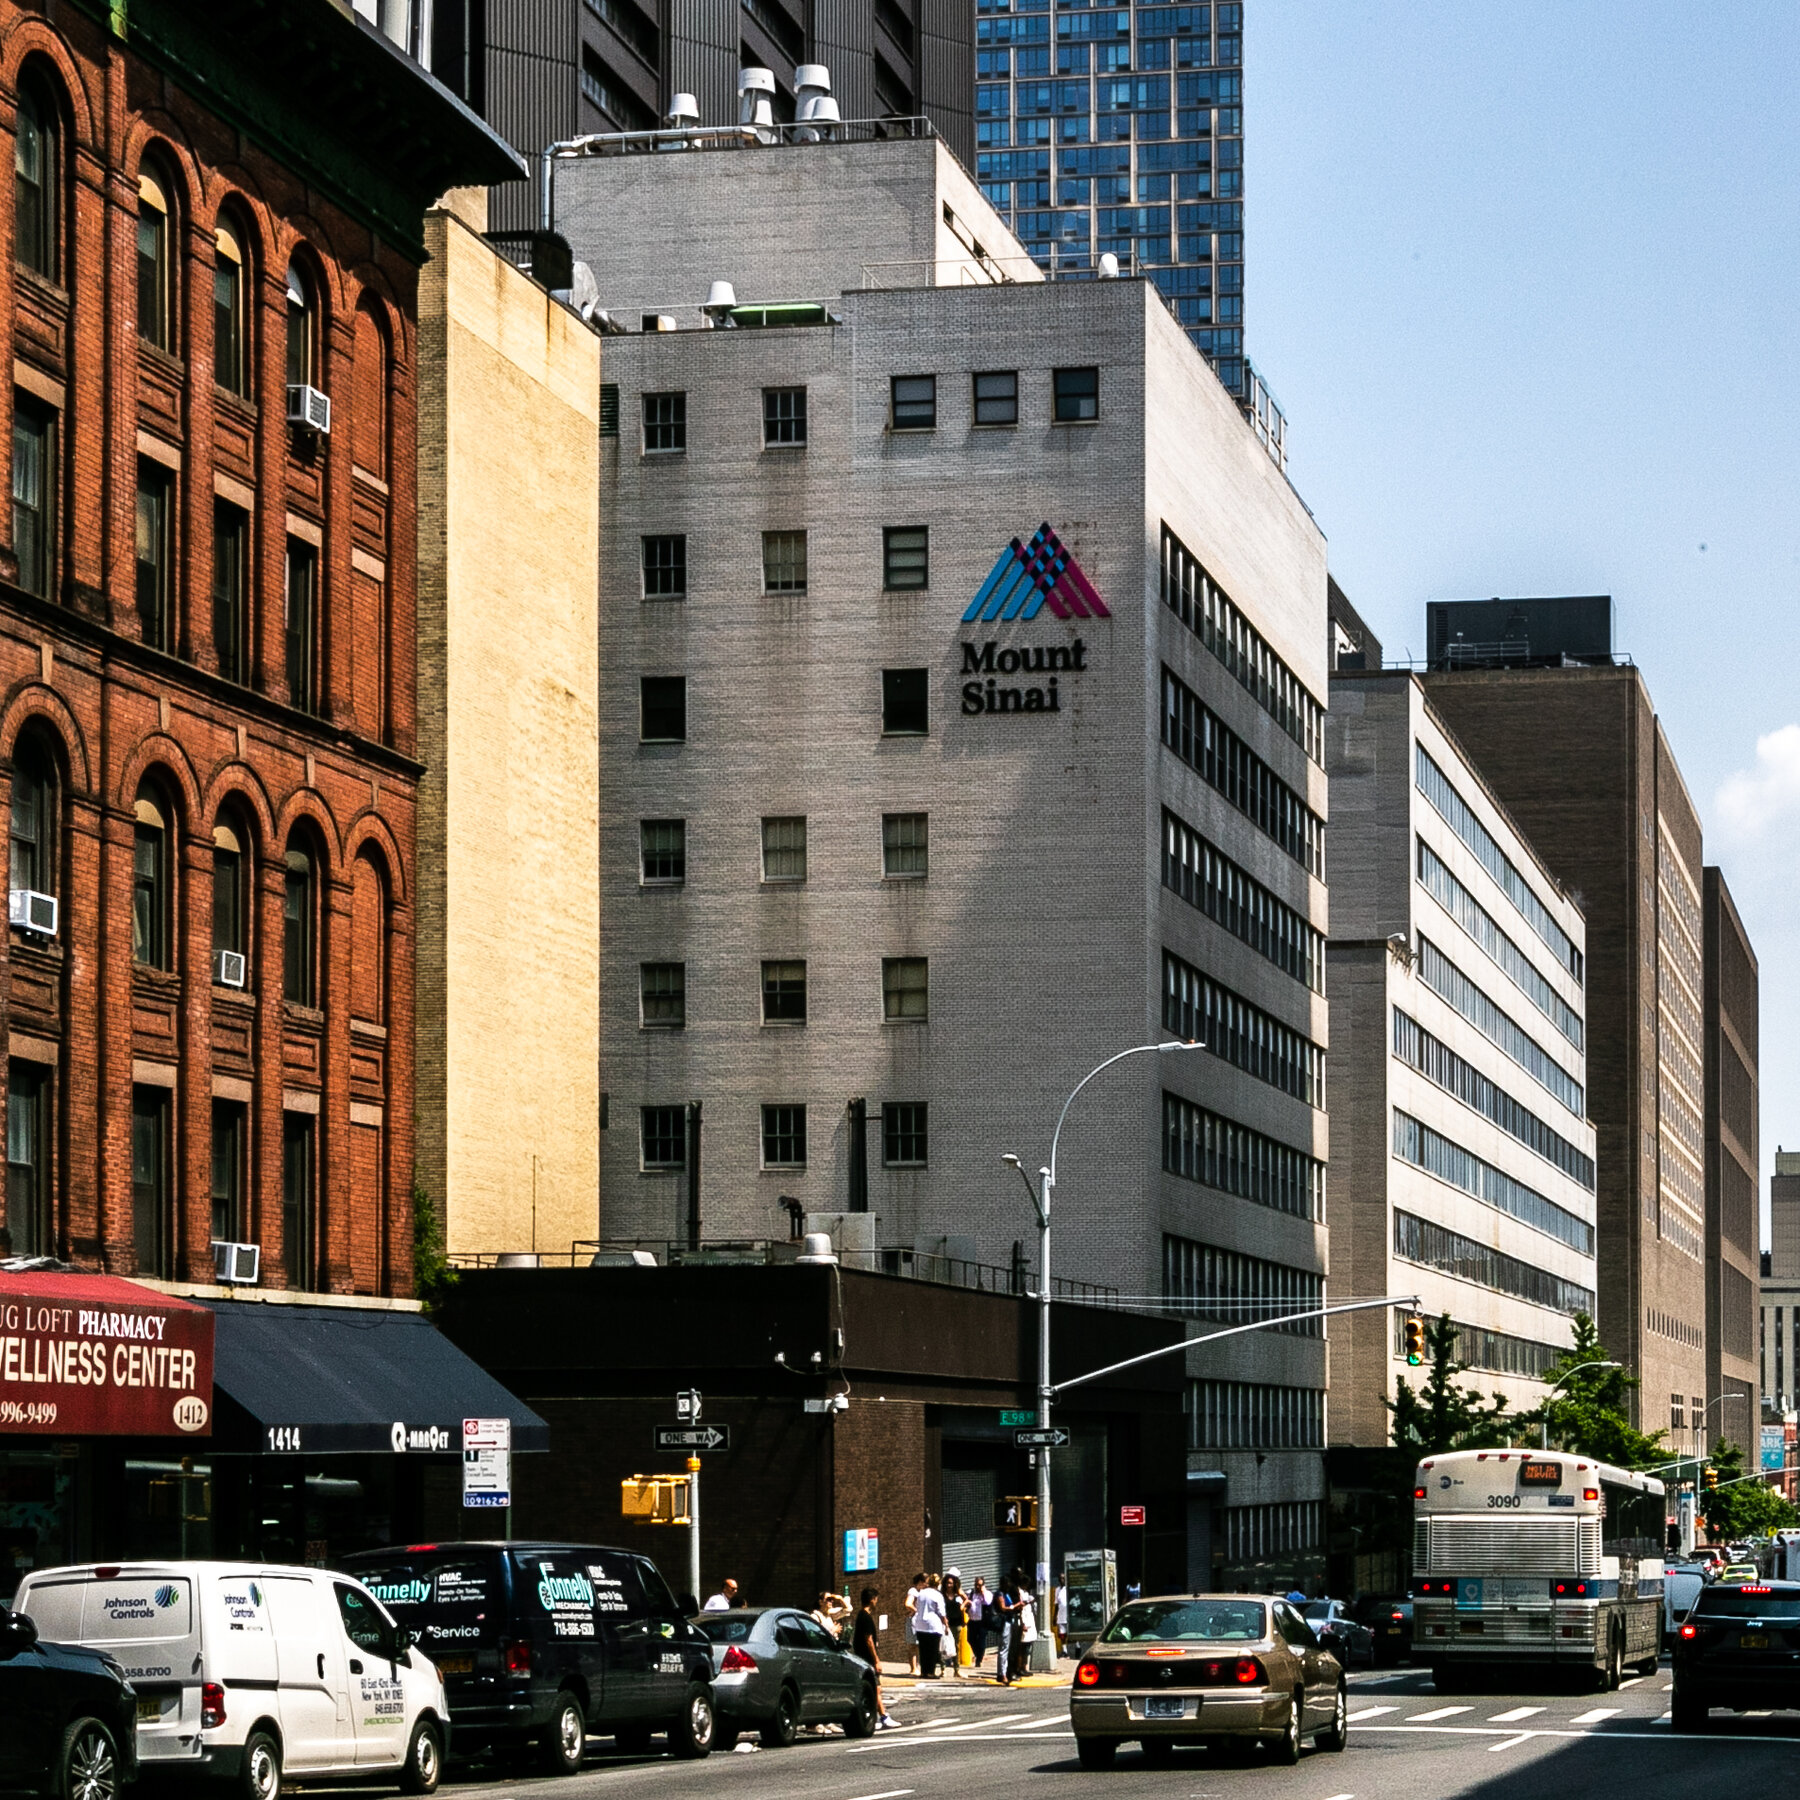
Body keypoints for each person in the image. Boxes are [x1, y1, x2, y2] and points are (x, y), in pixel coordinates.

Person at [852, 1587, 898, 1729]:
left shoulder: (862, 1616)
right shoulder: (865, 1617)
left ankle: (878, 1716)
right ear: (872, 1600)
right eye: (876, 1599)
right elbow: (869, 1640)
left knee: (875, 1688)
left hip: (864, 1657)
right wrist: (876, 1660)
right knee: (875, 1688)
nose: (877, 1602)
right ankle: (882, 1717)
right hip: (867, 1658)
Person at [912, 1573, 948, 1678]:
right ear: (938, 1584)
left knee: (923, 1650)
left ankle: (923, 1672)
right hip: (933, 1625)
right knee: (932, 1650)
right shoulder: (938, 1595)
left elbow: (917, 1606)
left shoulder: (921, 1593)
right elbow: (941, 1612)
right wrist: (946, 1624)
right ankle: (930, 1672)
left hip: (920, 1625)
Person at [992, 1569, 1020, 1685]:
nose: (1008, 1586)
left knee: (1007, 1648)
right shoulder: (1000, 1594)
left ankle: (1004, 1672)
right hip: (1004, 1622)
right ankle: (1002, 1674)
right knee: (1003, 1648)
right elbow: (1003, 1607)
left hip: (1009, 1621)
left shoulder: (1007, 1594)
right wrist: (1015, 1606)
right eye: (1007, 1584)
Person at [943, 1573, 970, 1676]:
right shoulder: (942, 1594)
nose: (948, 1585)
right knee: (944, 1645)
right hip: (946, 1622)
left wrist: (962, 1606)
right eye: (947, 1583)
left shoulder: (957, 1593)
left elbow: (967, 1600)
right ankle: (943, 1669)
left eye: (951, 1583)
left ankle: (956, 1669)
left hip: (957, 1622)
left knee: (956, 1646)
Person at [966, 1577, 989, 1671]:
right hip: (972, 1620)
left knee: (981, 1641)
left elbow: (987, 1602)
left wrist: (983, 1593)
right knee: (970, 1639)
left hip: (982, 1621)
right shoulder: (971, 1593)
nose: (977, 1587)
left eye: (980, 1585)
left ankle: (979, 1659)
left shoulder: (987, 1594)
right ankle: (977, 1654)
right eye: (976, 1584)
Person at [904, 1573, 923, 1675]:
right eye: (925, 1583)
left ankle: (917, 1668)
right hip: (913, 1621)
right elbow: (908, 1603)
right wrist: (916, 1611)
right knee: (913, 1646)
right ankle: (913, 1669)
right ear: (919, 1582)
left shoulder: (923, 1592)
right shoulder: (913, 1591)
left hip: (919, 1621)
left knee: (918, 1645)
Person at [1054, 1576, 1068, 1659]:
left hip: (1069, 1614)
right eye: (1060, 1578)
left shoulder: (1068, 1588)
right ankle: (1065, 1651)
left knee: (1071, 1633)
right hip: (1061, 1614)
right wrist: (1054, 1616)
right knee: (1062, 1634)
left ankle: (1077, 1646)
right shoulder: (1057, 1590)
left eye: (1063, 1578)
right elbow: (1056, 1603)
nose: (1061, 1580)